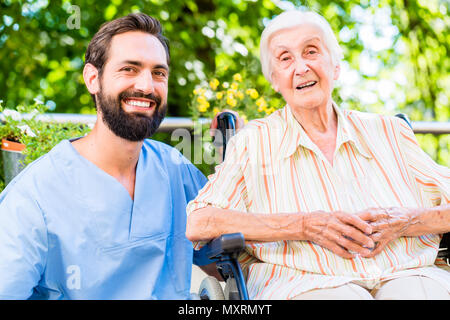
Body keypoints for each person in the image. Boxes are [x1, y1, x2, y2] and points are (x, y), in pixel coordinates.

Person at [186, 10, 450, 300]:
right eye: (285, 58)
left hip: (408, 272)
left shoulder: (390, 132)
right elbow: (200, 222)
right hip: (303, 283)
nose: (301, 67)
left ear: (335, 66)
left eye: (311, 51)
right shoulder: (254, 142)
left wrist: (407, 220)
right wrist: (304, 226)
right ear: (274, 80)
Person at [0, 13, 231, 299]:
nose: (147, 86)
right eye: (130, 69)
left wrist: (240, 156)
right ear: (93, 78)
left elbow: (225, 264)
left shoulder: (176, 172)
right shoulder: (33, 197)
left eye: (159, 73)